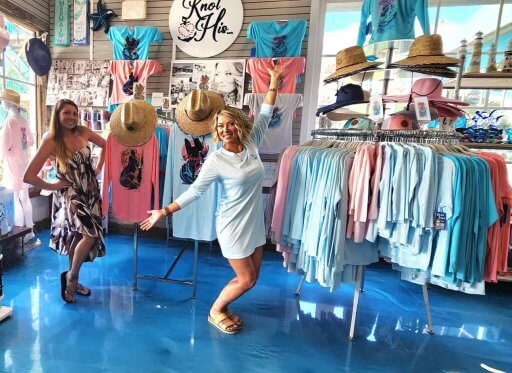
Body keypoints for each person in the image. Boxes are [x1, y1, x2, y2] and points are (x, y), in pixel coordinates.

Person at [141, 65, 284, 334]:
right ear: (216, 131)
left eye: (230, 123)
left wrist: (274, 81)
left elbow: (265, 112)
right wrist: (164, 211)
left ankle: (223, 308)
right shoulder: (216, 159)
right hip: (232, 225)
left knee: (253, 279)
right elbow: (195, 190)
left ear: (238, 124)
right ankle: (216, 310)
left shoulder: (251, 143)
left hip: (254, 223)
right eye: (220, 126)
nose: (226, 128)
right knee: (247, 279)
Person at [23, 99, 106, 303]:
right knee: (90, 235)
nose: (71, 117)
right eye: (67, 113)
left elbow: (106, 145)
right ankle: (72, 277)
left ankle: (73, 279)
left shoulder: (84, 132)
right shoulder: (51, 139)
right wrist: (52, 186)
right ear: (58, 115)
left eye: (75, 113)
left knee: (79, 237)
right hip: (72, 194)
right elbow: (29, 175)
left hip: (90, 191)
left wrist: (98, 168)